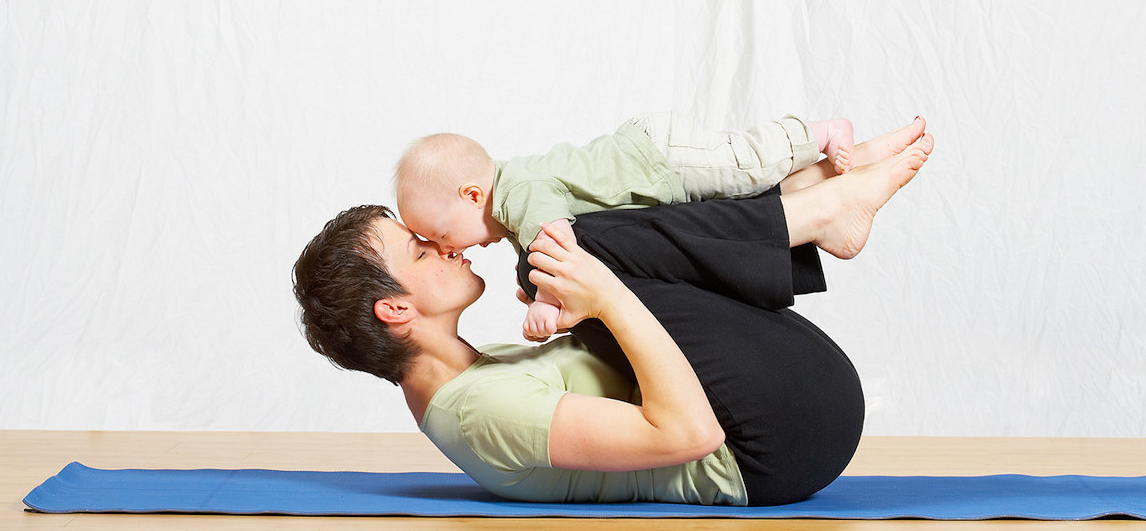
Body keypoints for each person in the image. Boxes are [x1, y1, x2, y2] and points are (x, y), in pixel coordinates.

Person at [293, 118, 933, 506]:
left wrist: (587, 306)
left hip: (789, 410)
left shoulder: (477, 379)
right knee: (555, 250)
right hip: (773, 443)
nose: (442, 245)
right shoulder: (478, 412)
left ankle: (812, 192)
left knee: (559, 246)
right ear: (396, 307)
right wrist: (604, 298)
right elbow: (688, 436)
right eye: (418, 247)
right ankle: (813, 205)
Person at [394, 112, 860, 341]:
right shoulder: (514, 203)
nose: (444, 247)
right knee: (744, 196)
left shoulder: (517, 190)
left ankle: (821, 131)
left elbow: (556, 238)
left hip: (659, 160)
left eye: (439, 235)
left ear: (473, 196)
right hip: (656, 172)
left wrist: (548, 299)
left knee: (744, 165)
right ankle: (827, 200)